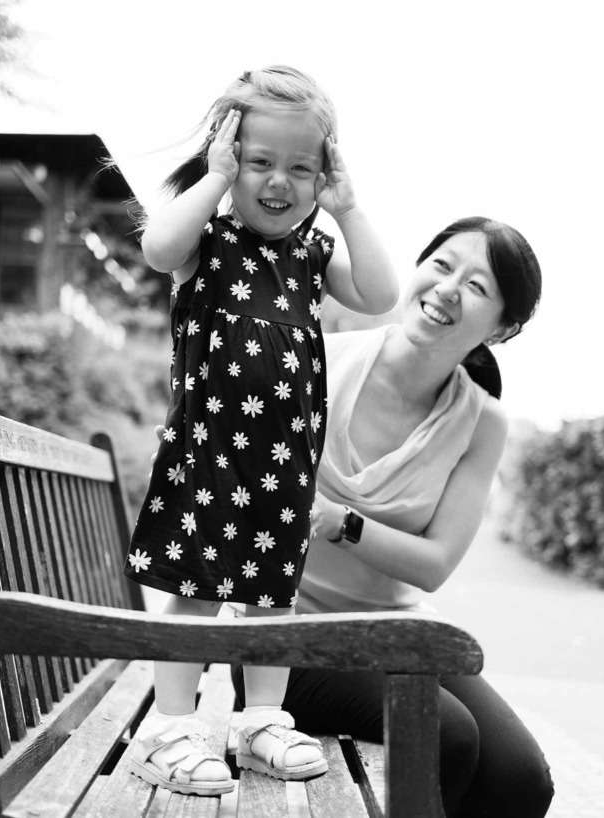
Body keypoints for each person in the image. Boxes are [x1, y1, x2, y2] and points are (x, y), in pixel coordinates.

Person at [123, 65, 398, 796]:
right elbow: (155, 247)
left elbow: (380, 295)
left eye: (301, 168)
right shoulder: (205, 240)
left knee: (275, 592)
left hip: (282, 464)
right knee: (194, 586)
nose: (280, 181)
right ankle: (172, 727)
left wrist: (350, 209)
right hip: (208, 451)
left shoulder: (312, 254)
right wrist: (212, 179)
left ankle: (261, 719)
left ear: (322, 176)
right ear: (231, 158)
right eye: (260, 162)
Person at [237, 216, 554, 817]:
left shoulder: (482, 423)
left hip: (391, 631)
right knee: (449, 735)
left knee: (520, 780)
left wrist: (337, 521)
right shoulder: (312, 360)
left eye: (478, 286)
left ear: (505, 327)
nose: (448, 288)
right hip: (276, 635)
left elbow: (434, 565)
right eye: (441, 264)